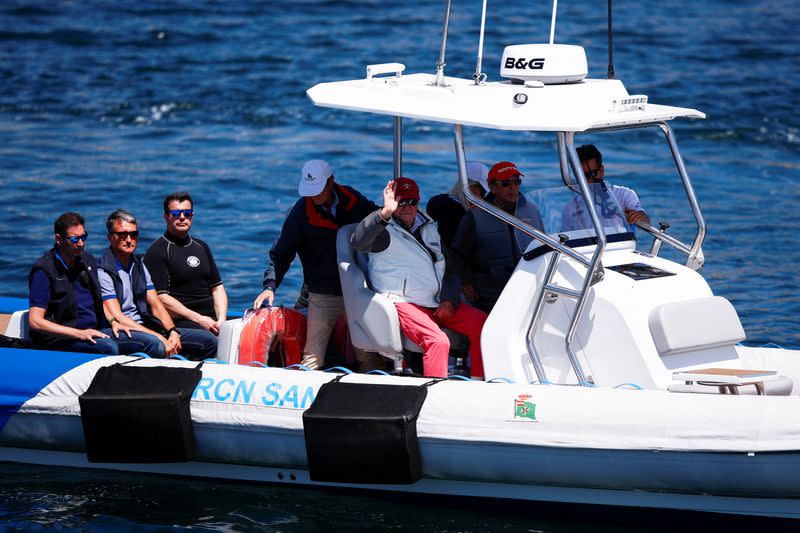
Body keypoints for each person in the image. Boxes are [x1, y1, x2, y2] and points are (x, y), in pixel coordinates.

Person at [253, 160, 382, 372]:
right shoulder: (300, 212)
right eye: (308, 190)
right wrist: (269, 286)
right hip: (322, 295)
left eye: (317, 189)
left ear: (331, 181)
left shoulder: (352, 199)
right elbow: (281, 255)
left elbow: (375, 220)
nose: (312, 196)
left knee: (367, 355)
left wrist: (390, 212)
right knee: (312, 358)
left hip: (356, 292)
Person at [352, 177, 486, 379]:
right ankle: (435, 397)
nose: (407, 207)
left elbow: (449, 265)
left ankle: (479, 383)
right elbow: (359, 242)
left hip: (435, 301)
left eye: (412, 202)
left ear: (418, 202)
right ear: (392, 202)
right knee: (438, 341)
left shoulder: (429, 226)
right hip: (403, 302)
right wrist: (385, 213)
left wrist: (449, 299)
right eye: (401, 202)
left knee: (484, 325)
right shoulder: (383, 229)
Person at [28, 212, 161, 356]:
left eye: (83, 237)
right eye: (74, 239)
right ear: (58, 239)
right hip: (63, 338)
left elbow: (98, 300)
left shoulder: (87, 260)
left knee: (151, 342)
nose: (80, 243)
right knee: (108, 347)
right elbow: (35, 321)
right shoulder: (44, 271)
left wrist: (113, 321)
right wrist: (78, 334)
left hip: (95, 331)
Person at [98, 209, 217, 360]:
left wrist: (172, 331)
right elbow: (118, 316)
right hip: (124, 331)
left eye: (133, 234)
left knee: (209, 341)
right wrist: (158, 336)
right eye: (122, 235)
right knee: (156, 344)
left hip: (146, 326)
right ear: (110, 237)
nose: (129, 240)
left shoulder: (139, 264)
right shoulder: (104, 271)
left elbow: (156, 306)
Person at [451, 161, 544, 313]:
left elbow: (543, 247)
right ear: (492, 188)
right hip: (491, 293)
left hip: (527, 287)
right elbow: (457, 254)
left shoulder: (531, 211)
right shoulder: (475, 215)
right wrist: (466, 283)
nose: (513, 187)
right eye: (506, 183)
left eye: (516, 182)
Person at [144, 192, 228, 353]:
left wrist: (222, 320)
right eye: (176, 213)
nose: (182, 217)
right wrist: (199, 319)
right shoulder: (158, 251)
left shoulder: (201, 246)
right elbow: (160, 298)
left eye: (187, 213)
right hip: (182, 321)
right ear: (166, 217)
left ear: (192, 215)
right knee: (211, 340)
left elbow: (217, 288)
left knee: (246, 330)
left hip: (210, 318)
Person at [561, 144, 650, 231]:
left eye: (590, 175)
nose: (585, 182)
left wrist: (639, 216)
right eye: (580, 176)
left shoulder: (624, 195)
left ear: (601, 170)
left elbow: (646, 223)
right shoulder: (569, 208)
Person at [425, 162, 489, 248]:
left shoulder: (446, 204)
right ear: (466, 186)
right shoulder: (454, 213)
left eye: (484, 192)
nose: (481, 197)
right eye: (480, 189)